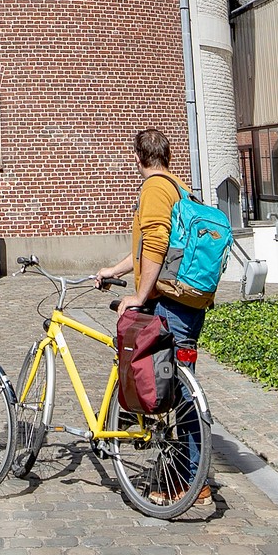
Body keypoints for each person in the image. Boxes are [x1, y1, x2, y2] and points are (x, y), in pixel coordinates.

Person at [97, 127, 211, 499]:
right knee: (174, 386)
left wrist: (139, 296)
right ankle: (186, 475)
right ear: (168, 156)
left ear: (137, 158)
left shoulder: (154, 189)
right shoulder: (178, 187)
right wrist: (114, 271)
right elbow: (147, 248)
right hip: (188, 299)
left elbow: (158, 245)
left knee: (176, 391)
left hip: (172, 302)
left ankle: (192, 480)